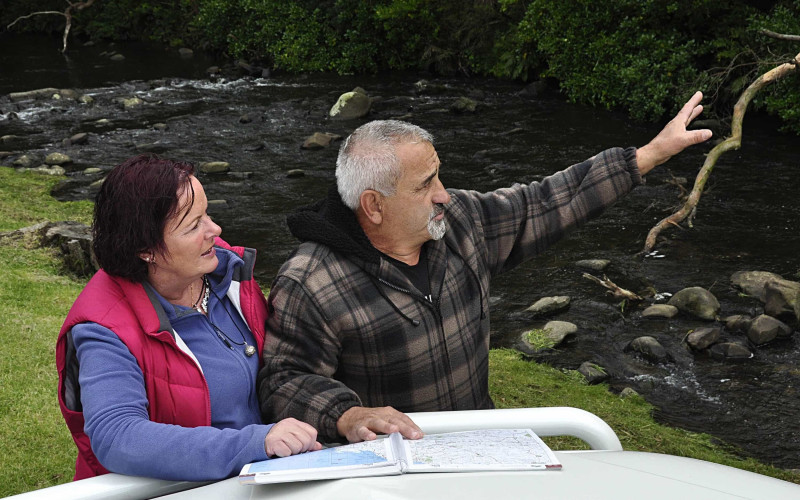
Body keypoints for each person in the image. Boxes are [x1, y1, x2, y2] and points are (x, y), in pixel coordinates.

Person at [258, 92, 713, 444]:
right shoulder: (311, 282)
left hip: (483, 446)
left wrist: (647, 156)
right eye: (425, 185)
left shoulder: (459, 223)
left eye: (438, 175)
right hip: (395, 471)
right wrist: (347, 415)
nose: (444, 194)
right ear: (373, 205)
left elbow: (547, 201)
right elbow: (284, 380)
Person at [56, 154, 321, 482]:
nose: (215, 229)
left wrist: (342, 415)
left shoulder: (229, 271)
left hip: (263, 475)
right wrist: (254, 443)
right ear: (145, 250)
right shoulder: (104, 328)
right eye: (193, 225)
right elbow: (117, 437)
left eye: (206, 214)